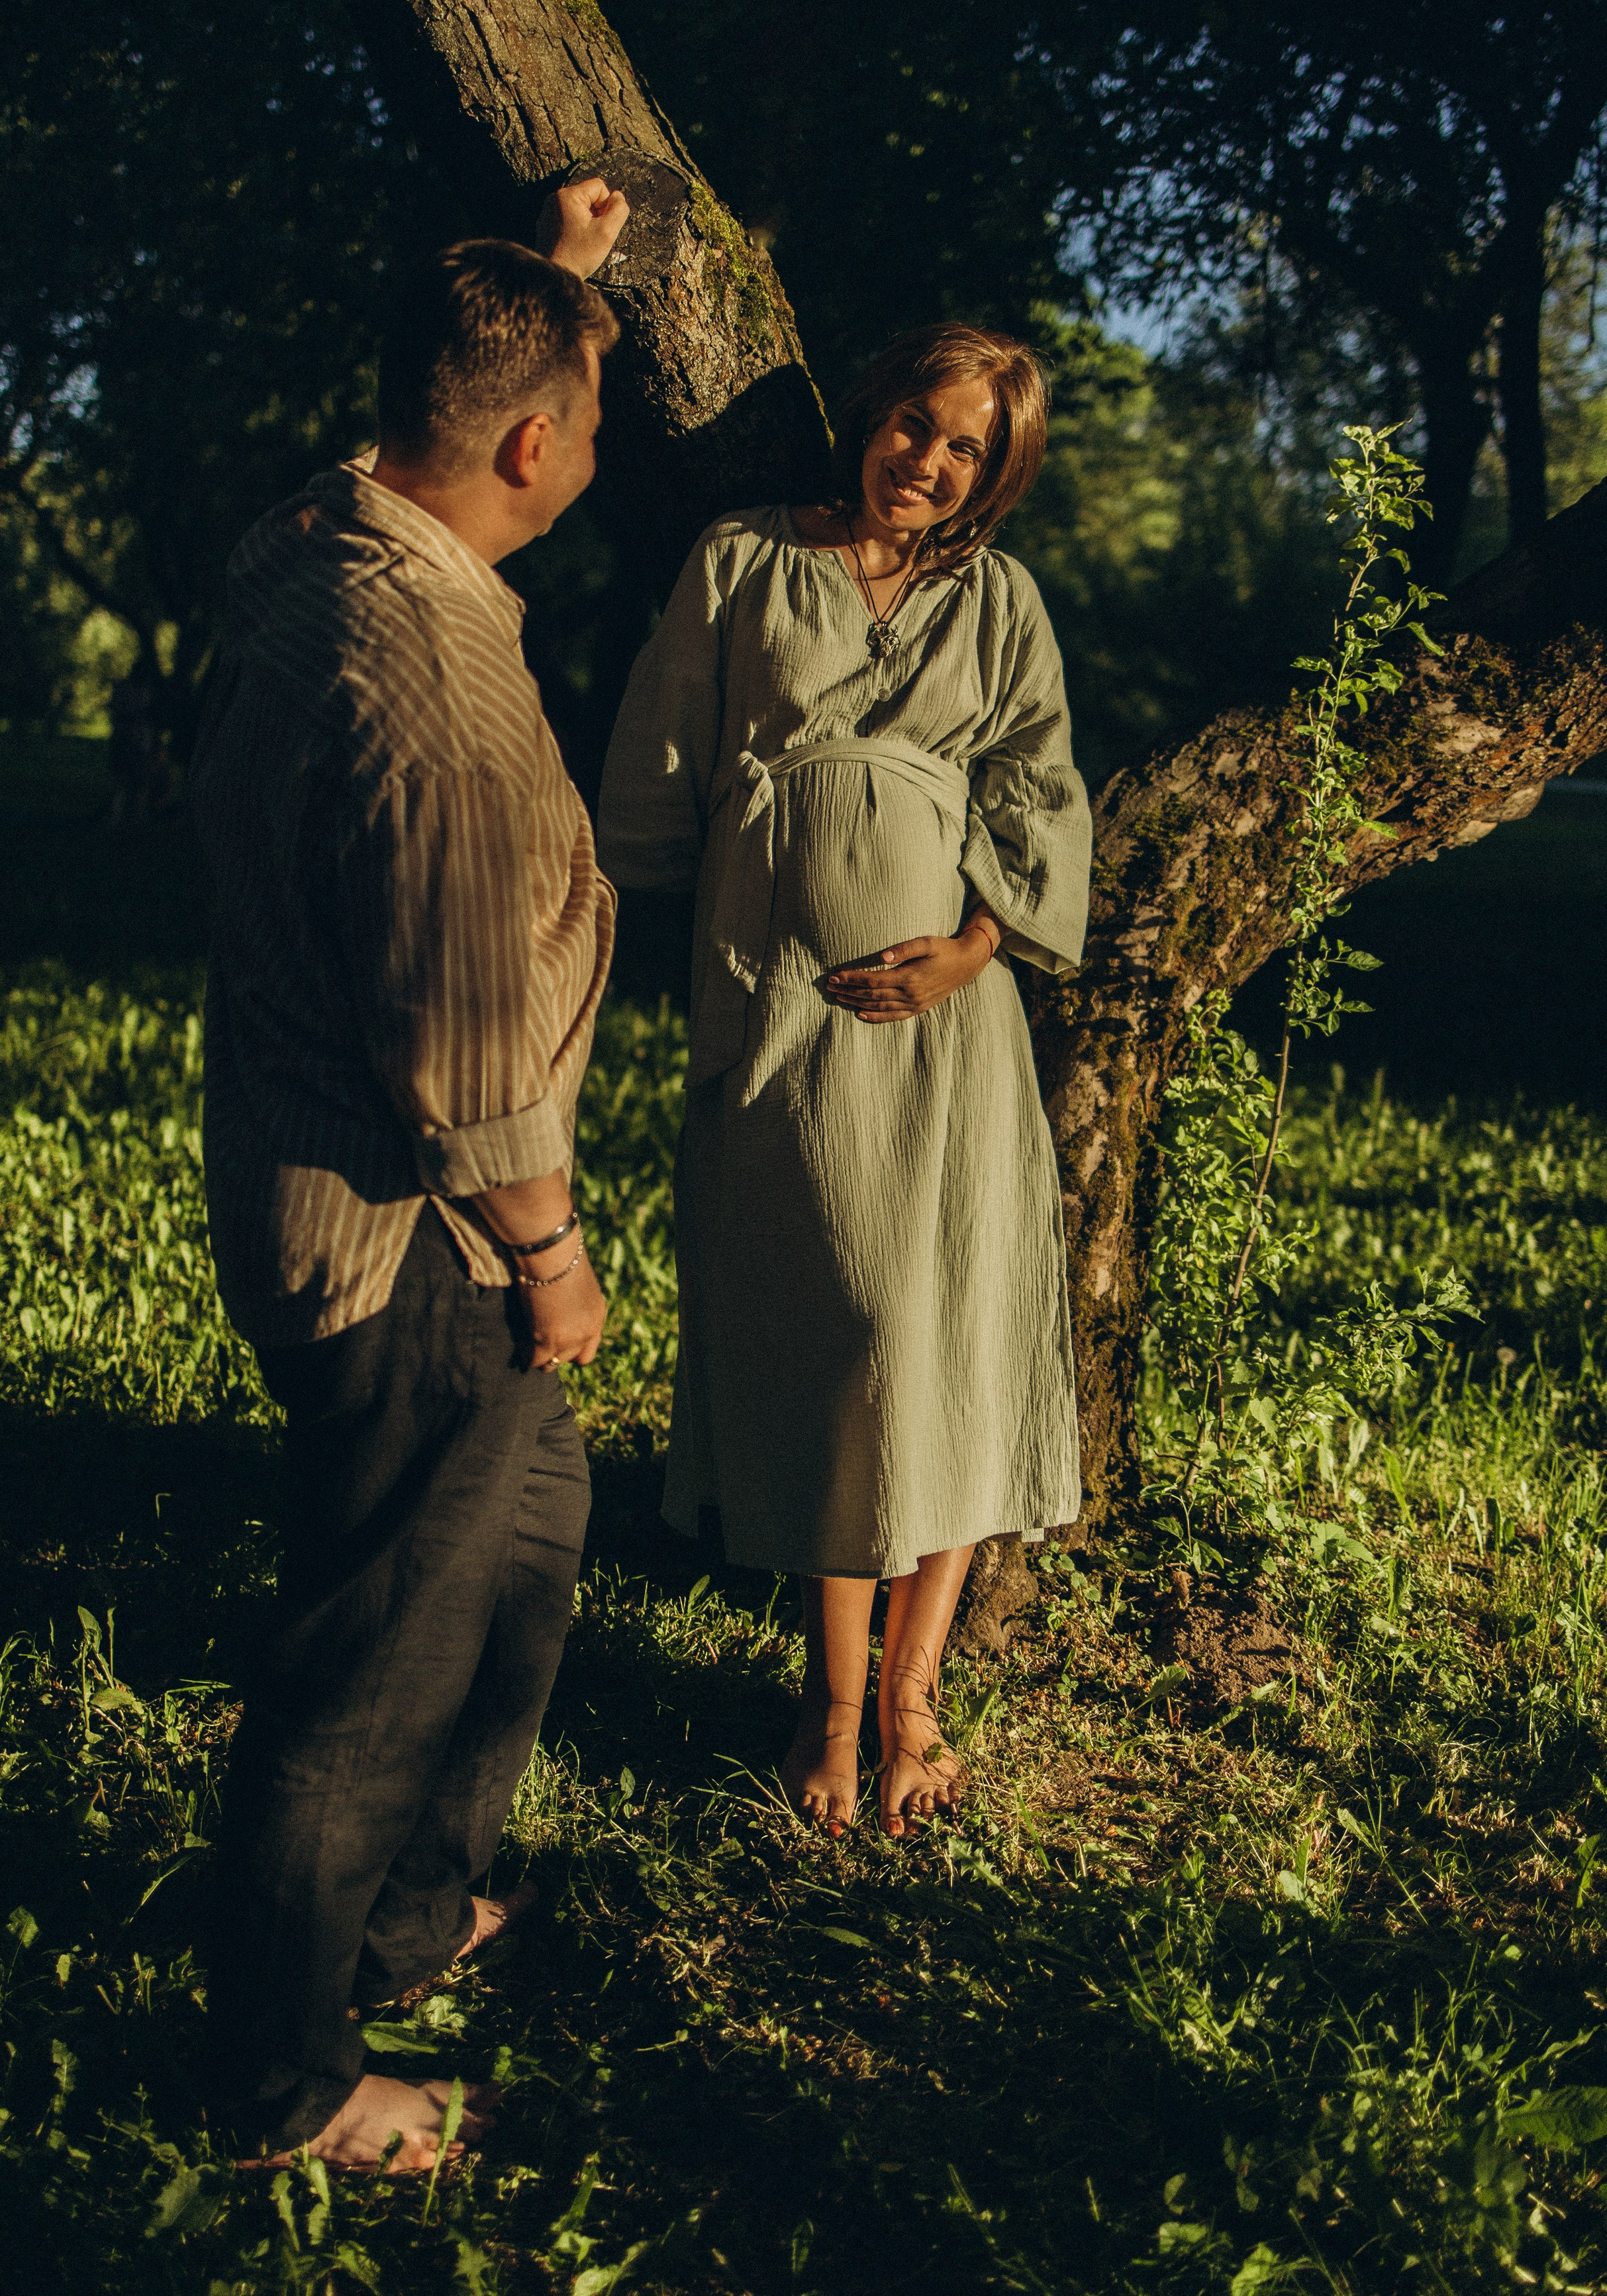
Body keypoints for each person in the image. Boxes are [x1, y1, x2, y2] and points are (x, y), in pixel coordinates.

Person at [189, 178, 628, 2172]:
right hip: (419, 1232)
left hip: (348, 1186)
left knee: (525, 1551)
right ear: (531, 448)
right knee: (369, 1665)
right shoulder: (437, 695)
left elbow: (378, 442)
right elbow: (458, 1055)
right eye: (588, 413)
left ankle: (417, 1913)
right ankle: (285, 2081)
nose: (594, 448)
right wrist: (551, 1257)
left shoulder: (315, 544)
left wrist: (555, 291)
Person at [598, 323, 1092, 1840]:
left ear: (989, 483)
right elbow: (661, 760)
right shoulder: (744, 557)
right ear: (869, 411)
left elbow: (1037, 784)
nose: (927, 463)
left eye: (966, 454)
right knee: (845, 1345)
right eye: (916, 426)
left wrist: (974, 947)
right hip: (783, 1016)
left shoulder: (994, 598)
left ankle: (913, 1695)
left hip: (951, 1035)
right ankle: (827, 1699)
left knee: (948, 1338)